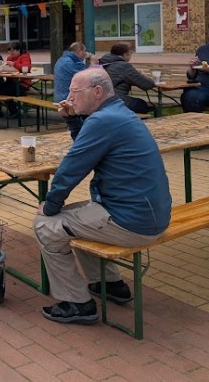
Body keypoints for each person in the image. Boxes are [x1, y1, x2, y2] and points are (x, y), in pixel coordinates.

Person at [34, 68, 171, 324]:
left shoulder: (102, 121)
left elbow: (71, 168)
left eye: (75, 91)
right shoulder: (118, 113)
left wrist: (50, 205)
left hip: (134, 222)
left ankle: (77, 303)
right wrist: (73, 120)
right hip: (151, 214)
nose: (68, 97)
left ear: (97, 92)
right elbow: (88, 148)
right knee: (77, 218)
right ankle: (110, 284)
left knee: (46, 225)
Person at [98, 42, 154, 114]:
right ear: (125, 55)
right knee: (142, 104)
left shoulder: (103, 63)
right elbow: (147, 84)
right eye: (130, 53)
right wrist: (142, 75)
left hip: (100, 101)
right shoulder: (124, 66)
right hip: (115, 101)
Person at [181, 43, 209, 112]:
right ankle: (191, 118)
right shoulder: (202, 49)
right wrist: (192, 68)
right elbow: (192, 76)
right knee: (189, 96)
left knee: (194, 97)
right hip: (200, 87)